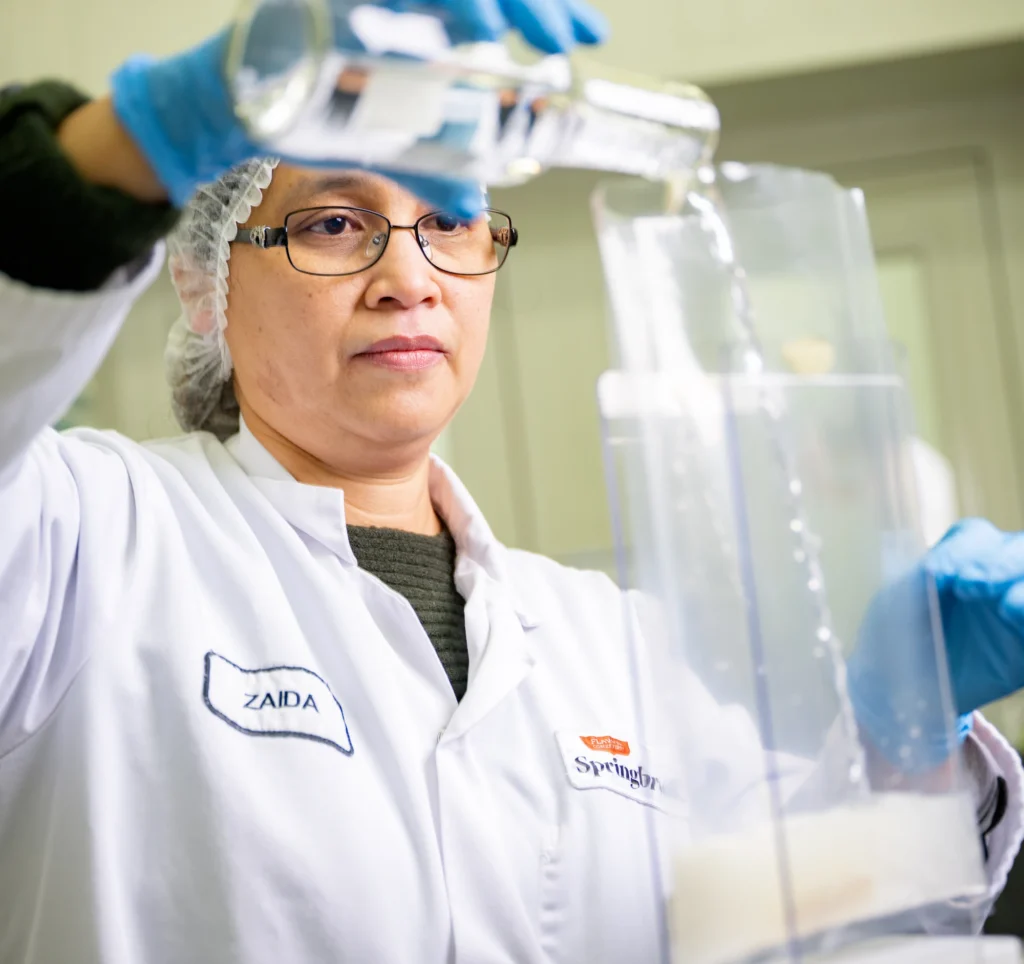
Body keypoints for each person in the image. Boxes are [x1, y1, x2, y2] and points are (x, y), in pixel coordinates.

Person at [3, 4, 1024, 962]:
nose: (409, 278)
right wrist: (145, 133)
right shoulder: (81, 535)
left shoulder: (618, 643)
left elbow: (812, 925)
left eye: (448, 221)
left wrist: (902, 737)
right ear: (204, 281)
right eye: (331, 225)